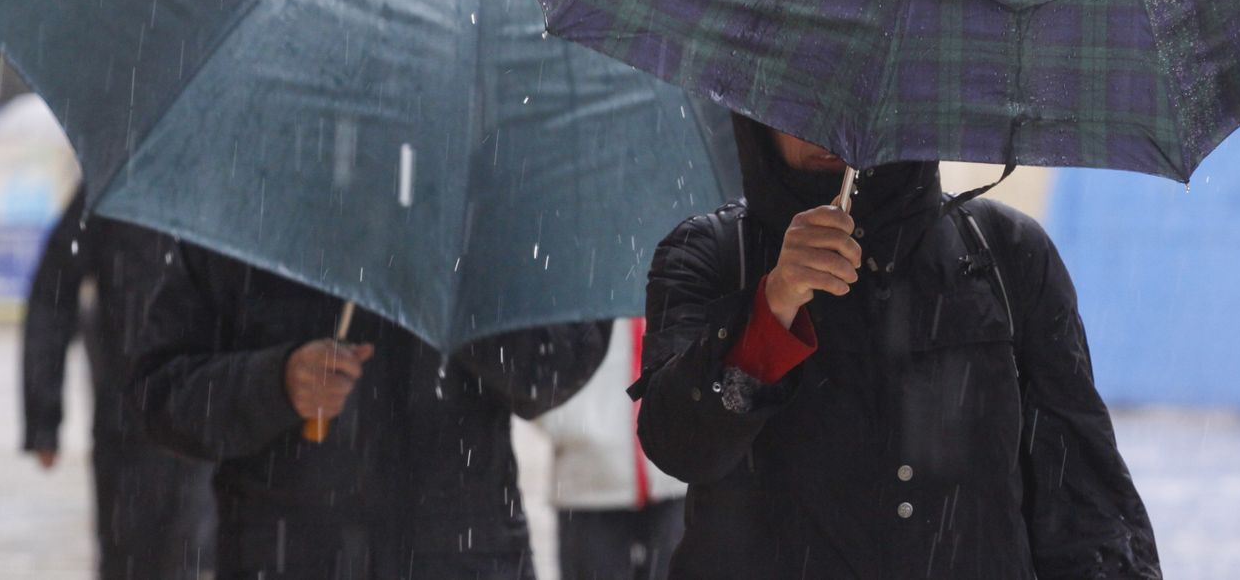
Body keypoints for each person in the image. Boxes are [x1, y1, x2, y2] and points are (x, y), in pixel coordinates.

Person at [631, 116, 1161, 580]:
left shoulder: (1006, 253)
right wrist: (773, 306)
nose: (830, 120)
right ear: (756, 114)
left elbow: (1083, 497)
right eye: (802, 98)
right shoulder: (712, 255)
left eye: (855, 94)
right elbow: (680, 445)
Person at [129, 241, 611, 580]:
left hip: (463, 556)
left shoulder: (492, 201)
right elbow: (159, 394)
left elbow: (554, 370)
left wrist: (454, 294)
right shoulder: (246, 198)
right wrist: (275, 383)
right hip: (283, 557)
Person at [23, 187, 217, 580]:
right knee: (131, 558)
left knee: (197, 556)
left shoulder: (232, 191)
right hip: (129, 423)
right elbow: (54, 289)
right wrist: (44, 415)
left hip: (213, 418)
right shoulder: (119, 185)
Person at [534, 316, 685, 580]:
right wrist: (572, 423)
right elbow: (533, 359)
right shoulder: (572, 278)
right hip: (589, 481)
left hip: (677, 474)